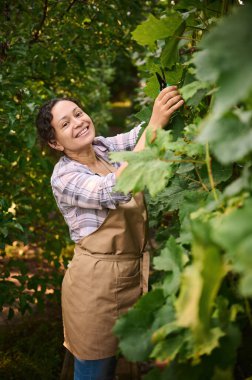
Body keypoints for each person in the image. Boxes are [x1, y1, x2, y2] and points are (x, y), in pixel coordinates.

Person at [36, 85, 183, 380]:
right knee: (95, 370)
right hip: (95, 289)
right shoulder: (64, 177)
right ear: (55, 143)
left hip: (130, 276)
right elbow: (115, 188)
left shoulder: (103, 149)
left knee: (127, 364)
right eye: (65, 123)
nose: (78, 122)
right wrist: (155, 123)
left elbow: (141, 136)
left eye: (78, 113)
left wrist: (175, 102)